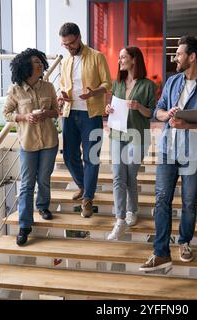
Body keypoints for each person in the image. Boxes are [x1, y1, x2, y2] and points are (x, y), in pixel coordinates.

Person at [139, 36, 197, 271]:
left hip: (192, 154)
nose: (175, 58)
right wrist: (167, 113)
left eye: (179, 54)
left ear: (192, 57)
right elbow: (158, 111)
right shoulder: (172, 82)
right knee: (162, 201)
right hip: (167, 151)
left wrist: (189, 126)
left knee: (189, 202)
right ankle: (160, 252)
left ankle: (184, 242)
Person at [3, 48, 60, 246]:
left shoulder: (49, 87)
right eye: (35, 61)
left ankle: (43, 206)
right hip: (27, 143)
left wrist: (48, 113)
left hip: (49, 142)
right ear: (26, 66)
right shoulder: (15, 90)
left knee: (43, 179)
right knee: (27, 184)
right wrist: (24, 117)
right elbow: (7, 113)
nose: (40, 64)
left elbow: (57, 111)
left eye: (40, 61)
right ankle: (25, 225)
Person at [58, 22, 112, 218]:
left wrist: (94, 92)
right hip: (70, 113)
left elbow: (107, 84)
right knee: (69, 156)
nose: (68, 48)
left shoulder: (96, 56)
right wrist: (62, 96)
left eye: (71, 44)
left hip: (91, 114)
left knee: (91, 157)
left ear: (79, 38)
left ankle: (88, 198)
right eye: (65, 45)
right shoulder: (65, 61)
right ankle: (83, 185)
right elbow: (64, 85)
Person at [104, 46, 156, 240]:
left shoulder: (148, 85)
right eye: (119, 57)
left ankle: (132, 210)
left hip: (138, 136)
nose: (120, 60)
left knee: (129, 175)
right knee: (118, 176)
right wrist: (108, 109)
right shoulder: (117, 83)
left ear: (134, 60)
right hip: (117, 134)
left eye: (123, 57)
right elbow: (113, 107)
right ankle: (120, 220)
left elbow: (151, 113)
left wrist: (138, 106)